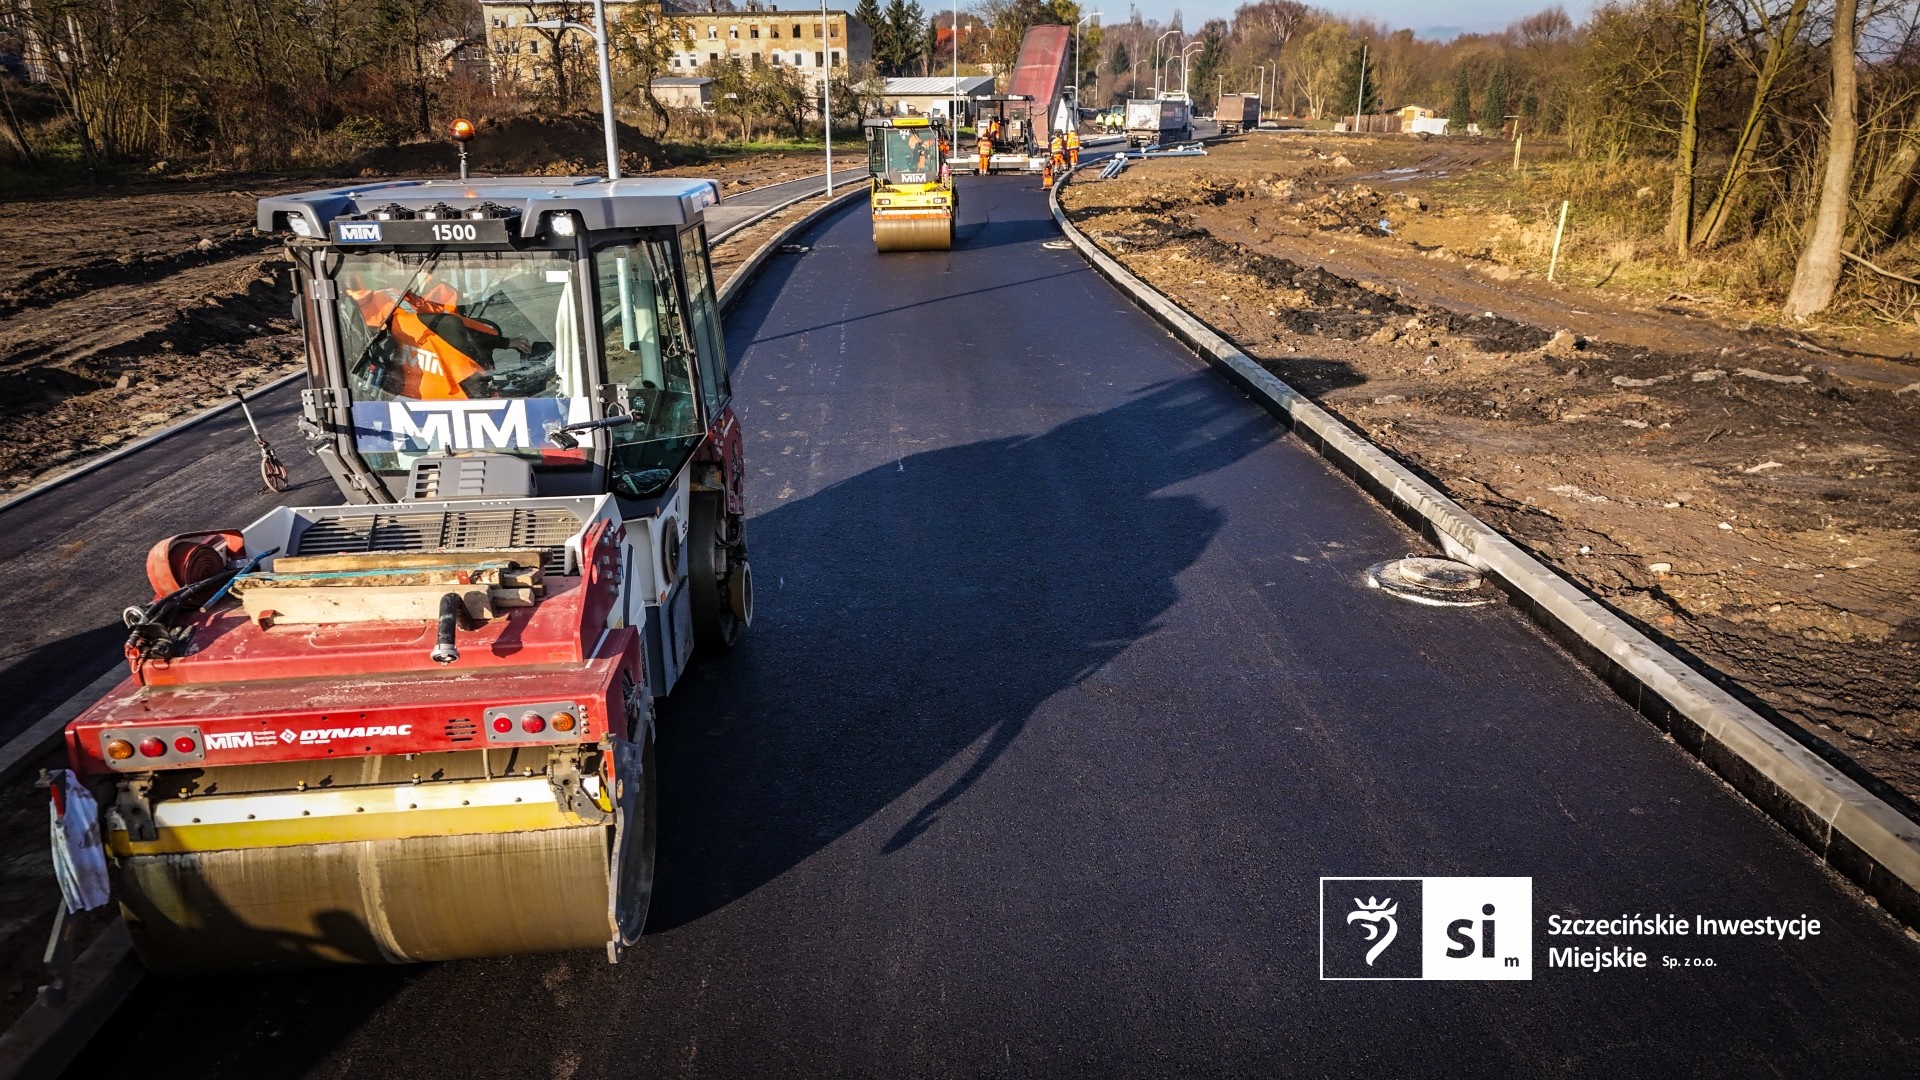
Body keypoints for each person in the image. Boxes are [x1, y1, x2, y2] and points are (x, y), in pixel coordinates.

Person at [346, 276, 530, 400]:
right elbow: (457, 327)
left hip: (408, 401)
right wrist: (506, 342)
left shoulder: (376, 305)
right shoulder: (395, 303)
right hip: (455, 398)